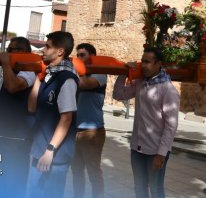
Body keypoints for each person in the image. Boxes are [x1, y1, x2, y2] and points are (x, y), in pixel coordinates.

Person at [112, 47, 180, 198]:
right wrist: (123, 74)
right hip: (137, 148)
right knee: (139, 188)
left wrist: (161, 154)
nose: (142, 65)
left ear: (158, 64)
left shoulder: (168, 90)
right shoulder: (140, 83)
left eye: (147, 62)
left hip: (155, 151)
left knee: (155, 189)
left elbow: (171, 125)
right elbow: (118, 95)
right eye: (142, 61)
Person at [27, 31, 79, 198]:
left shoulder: (67, 79)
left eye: (47, 46)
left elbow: (67, 118)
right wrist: (38, 79)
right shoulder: (49, 76)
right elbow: (31, 107)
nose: (43, 49)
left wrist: (50, 150)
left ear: (60, 52)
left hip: (54, 155)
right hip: (39, 149)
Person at [0, 36, 37, 198]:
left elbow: (13, 87)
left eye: (12, 50)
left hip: (18, 135)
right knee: (3, 176)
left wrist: (6, 63)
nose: (8, 52)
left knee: (16, 177)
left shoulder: (29, 69)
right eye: (8, 49)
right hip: (4, 132)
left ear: (24, 52)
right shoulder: (12, 69)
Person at [72, 43, 107, 198]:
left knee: (93, 173)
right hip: (75, 130)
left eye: (82, 55)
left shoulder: (99, 73)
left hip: (92, 131)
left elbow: (84, 84)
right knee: (76, 172)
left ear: (92, 57)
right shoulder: (77, 73)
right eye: (77, 55)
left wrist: (75, 70)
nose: (79, 58)